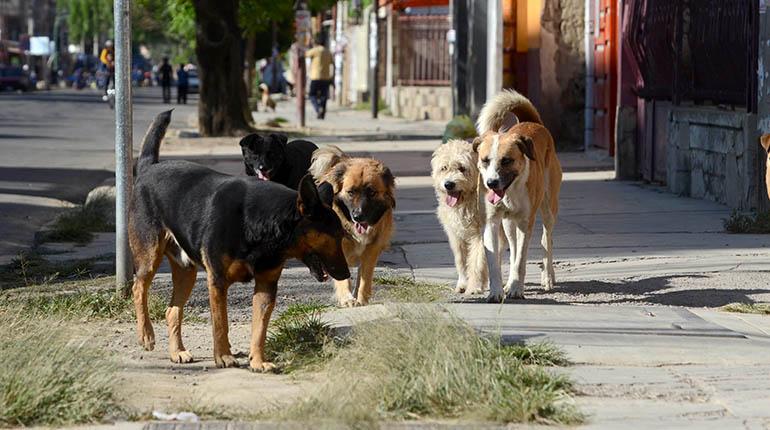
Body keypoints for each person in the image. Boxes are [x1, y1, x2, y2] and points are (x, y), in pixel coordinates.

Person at [306, 34, 334, 119]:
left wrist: (307, 44)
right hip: (326, 77)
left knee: (312, 95)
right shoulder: (328, 52)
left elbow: (305, 54)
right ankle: (322, 112)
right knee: (324, 96)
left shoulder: (315, 50)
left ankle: (318, 109)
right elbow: (332, 63)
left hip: (315, 76)